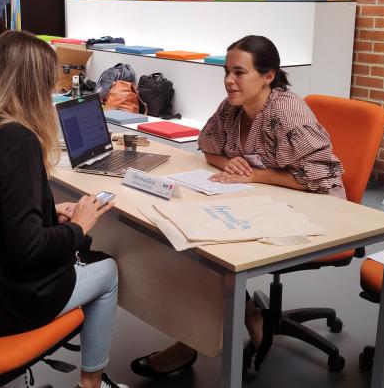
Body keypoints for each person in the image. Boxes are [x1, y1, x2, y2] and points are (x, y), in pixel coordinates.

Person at [129, 35, 345, 378]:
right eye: (227, 71)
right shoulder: (233, 105)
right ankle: (246, 315)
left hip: (317, 209)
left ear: (268, 76)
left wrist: (256, 176)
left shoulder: (287, 112)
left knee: (210, 251)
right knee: (190, 240)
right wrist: (232, 165)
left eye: (239, 72)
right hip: (262, 201)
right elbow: (209, 148)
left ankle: (191, 345)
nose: (229, 80)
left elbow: (323, 177)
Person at [0, 31, 127, 388]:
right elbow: (28, 250)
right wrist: (77, 228)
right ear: (32, 86)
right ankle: (91, 384)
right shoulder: (17, 140)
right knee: (108, 269)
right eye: (50, 86)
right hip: (8, 299)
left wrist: (47, 211)